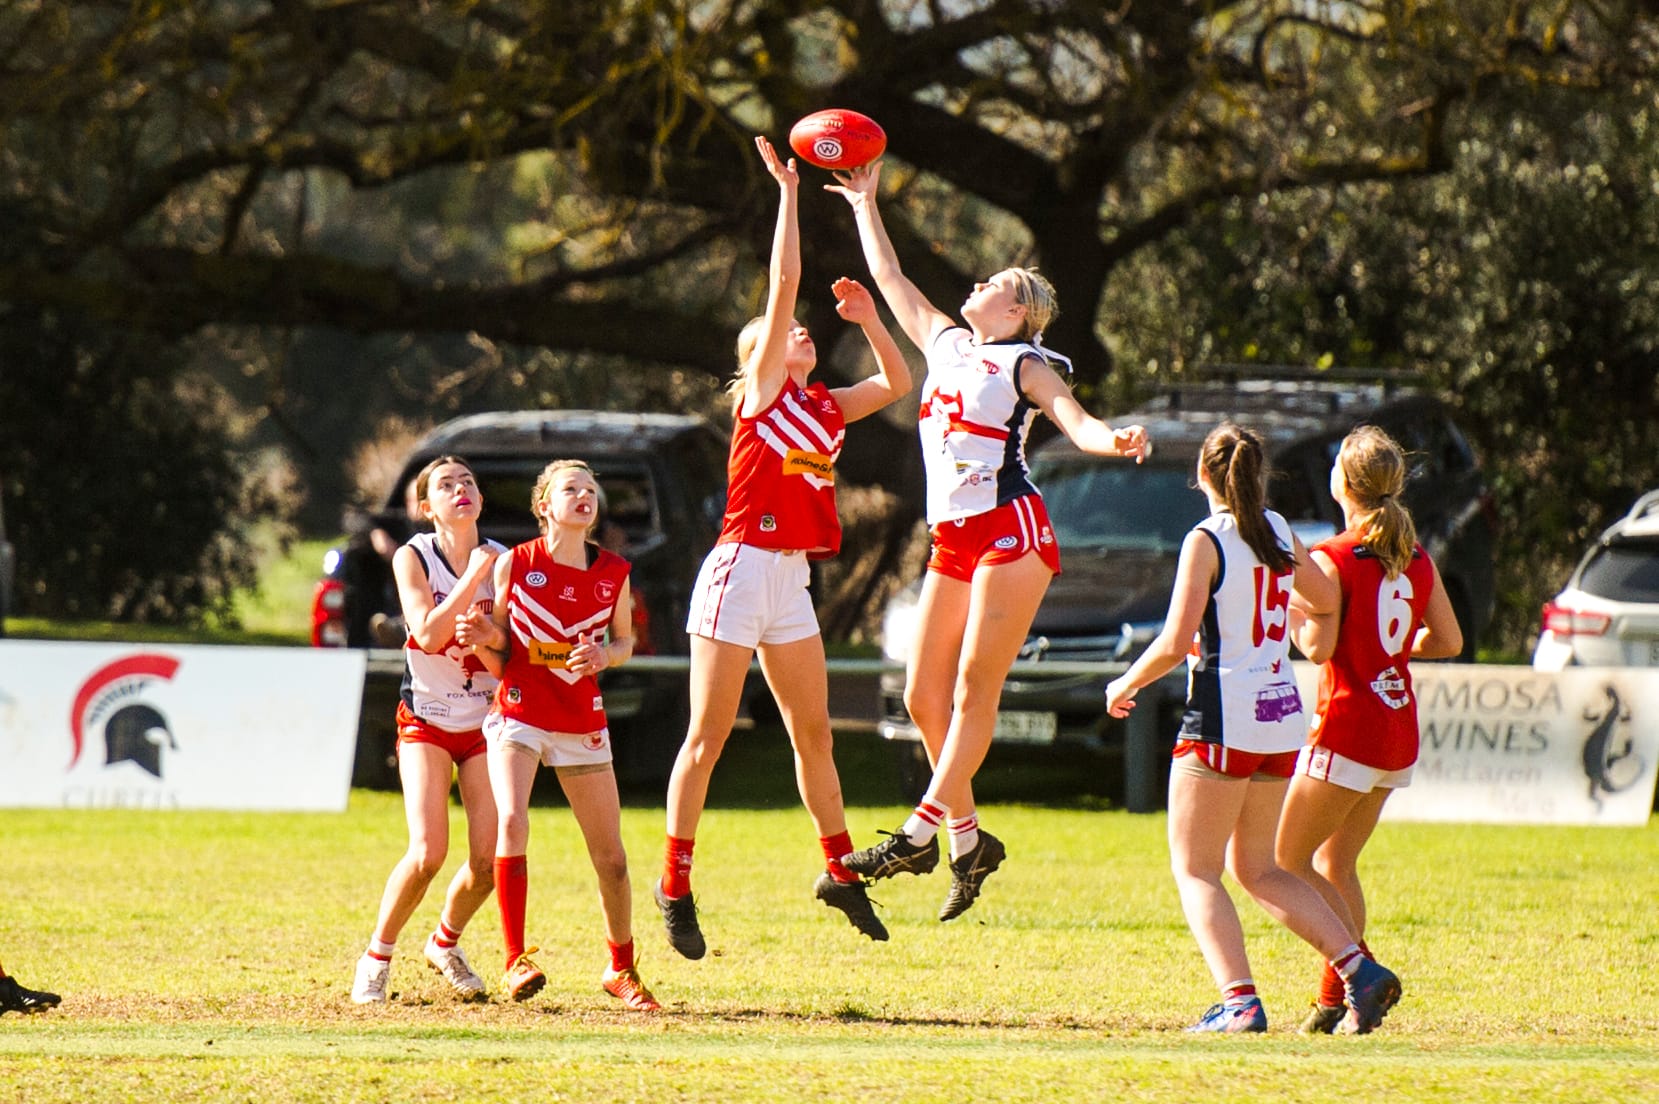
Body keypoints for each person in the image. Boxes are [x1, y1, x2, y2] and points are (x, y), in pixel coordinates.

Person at [825, 159, 1149, 922]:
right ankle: (969, 841)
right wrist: (866, 203)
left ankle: (916, 833)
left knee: (973, 689)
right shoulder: (945, 345)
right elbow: (891, 277)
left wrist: (1113, 441)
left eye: (992, 286)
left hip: (1012, 530)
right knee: (919, 694)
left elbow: (1076, 420)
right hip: (954, 538)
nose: (975, 287)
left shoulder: (1023, 361)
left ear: (1016, 312)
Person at [653, 135, 913, 959]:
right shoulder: (763, 396)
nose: (798, 333)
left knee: (815, 735)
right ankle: (674, 883)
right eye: (783, 333)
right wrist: (788, 193)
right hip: (738, 572)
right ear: (757, 359)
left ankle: (839, 873)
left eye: (801, 333)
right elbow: (784, 282)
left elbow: (899, 385)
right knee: (708, 737)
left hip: (790, 581)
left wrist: (871, 320)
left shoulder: (827, 408)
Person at [1103, 423, 1403, 1034]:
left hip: (1220, 715)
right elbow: (1324, 599)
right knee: (1260, 868)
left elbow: (1170, 641)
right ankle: (1358, 969)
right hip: (1278, 718)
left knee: (1196, 870)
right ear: (1257, 474)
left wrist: (1123, 684)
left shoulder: (1206, 539)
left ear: (1205, 476)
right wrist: (1270, 615)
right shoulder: (1279, 530)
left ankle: (1239, 1002)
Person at [1276, 425, 1462, 1035]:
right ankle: (1339, 1001)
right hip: (1395, 724)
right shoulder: (1415, 554)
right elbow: (1450, 640)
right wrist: (1394, 655)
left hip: (1348, 724)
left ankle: (1363, 975)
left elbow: (1319, 644)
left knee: (1282, 861)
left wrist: (1299, 625)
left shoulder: (1330, 556)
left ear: (1343, 483)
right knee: (1336, 862)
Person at [457, 459, 661, 1012]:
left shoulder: (614, 571)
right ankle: (515, 959)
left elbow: (624, 642)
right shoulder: (517, 564)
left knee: (612, 858)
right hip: (519, 710)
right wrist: (480, 634)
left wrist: (604, 654)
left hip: (581, 719)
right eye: (570, 489)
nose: (584, 497)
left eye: (590, 490)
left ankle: (621, 968)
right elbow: (500, 639)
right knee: (512, 820)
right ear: (544, 505)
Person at [351, 456, 503, 1005]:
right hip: (428, 720)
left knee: (490, 861)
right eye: (446, 485)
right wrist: (473, 582)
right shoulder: (414, 557)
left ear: (480, 501)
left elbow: (511, 662)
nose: (461, 489)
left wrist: (489, 638)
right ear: (425, 507)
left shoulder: (504, 562)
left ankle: (445, 942)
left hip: (486, 723)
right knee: (427, 852)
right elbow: (428, 633)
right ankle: (377, 955)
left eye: (469, 481)